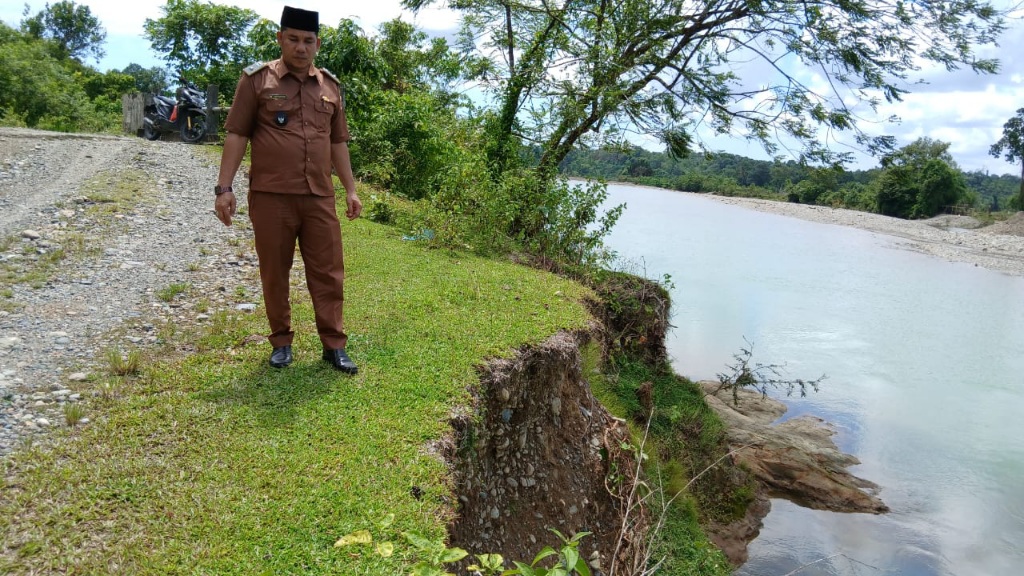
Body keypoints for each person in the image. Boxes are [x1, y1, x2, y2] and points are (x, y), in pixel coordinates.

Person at [213, 5, 362, 374]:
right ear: (280, 38)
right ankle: (281, 341)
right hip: (271, 196)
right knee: (275, 271)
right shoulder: (257, 81)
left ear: (317, 44)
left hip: (318, 197)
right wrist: (223, 188)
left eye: (308, 41)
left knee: (328, 271)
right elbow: (237, 134)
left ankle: (333, 345)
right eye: (293, 39)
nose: (301, 47)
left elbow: (338, 142)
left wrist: (351, 190)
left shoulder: (330, 87)